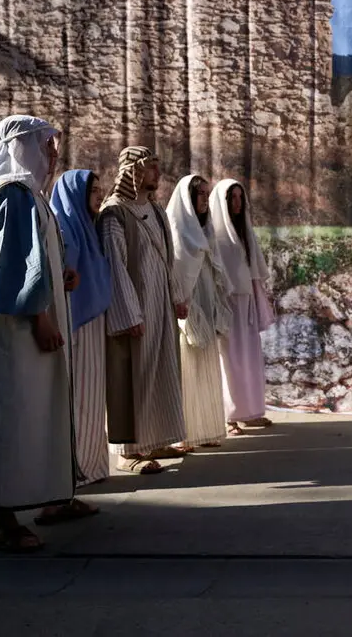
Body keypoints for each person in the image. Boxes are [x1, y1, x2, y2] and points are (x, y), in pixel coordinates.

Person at [0, 115, 96, 553]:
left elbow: (35, 258)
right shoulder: (14, 194)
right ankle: (5, 521)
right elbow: (14, 269)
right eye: (47, 144)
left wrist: (58, 275)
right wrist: (41, 317)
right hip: (15, 335)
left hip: (28, 330)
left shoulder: (31, 196)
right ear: (24, 145)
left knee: (34, 416)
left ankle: (49, 497)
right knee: (9, 417)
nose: (54, 152)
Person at [99, 147, 187, 474]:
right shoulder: (114, 213)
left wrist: (176, 295)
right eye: (151, 168)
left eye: (157, 167)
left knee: (161, 371)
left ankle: (154, 438)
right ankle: (129, 452)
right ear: (133, 171)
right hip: (135, 310)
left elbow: (169, 258)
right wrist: (129, 314)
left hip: (160, 304)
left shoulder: (155, 209)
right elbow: (115, 267)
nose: (157, 174)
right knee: (134, 376)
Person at [50, 169, 113, 488]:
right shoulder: (63, 228)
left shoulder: (88, 229)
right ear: (75, 195)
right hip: (75, 327)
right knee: (80, 399)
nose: (100, 195)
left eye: (101, 190)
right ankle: (78, 468)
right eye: (93, 191)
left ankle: (92, 464)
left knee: (91, 398)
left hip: (91, 322)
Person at [167, 175, 233, 448]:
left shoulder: (206, 231)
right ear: (188, 198)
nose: (206, 199)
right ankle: (183, 434)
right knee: (188, 367)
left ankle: (206, 429)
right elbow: (178, 271)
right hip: (187, 306)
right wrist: (183, 301)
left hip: (206, 301)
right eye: (201, 194)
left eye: (208, 193)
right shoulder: (177, 229)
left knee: (207, 364)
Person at [209, 178, 275, 435]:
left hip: (245, 304)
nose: (237, 203)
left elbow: (253, 270)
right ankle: (229, 418)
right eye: (231, 198)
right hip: (227, 305)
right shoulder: (214, 235)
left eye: (239, 197)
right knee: (229, 360)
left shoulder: (244, 232)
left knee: (249, 360)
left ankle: (249, 411)